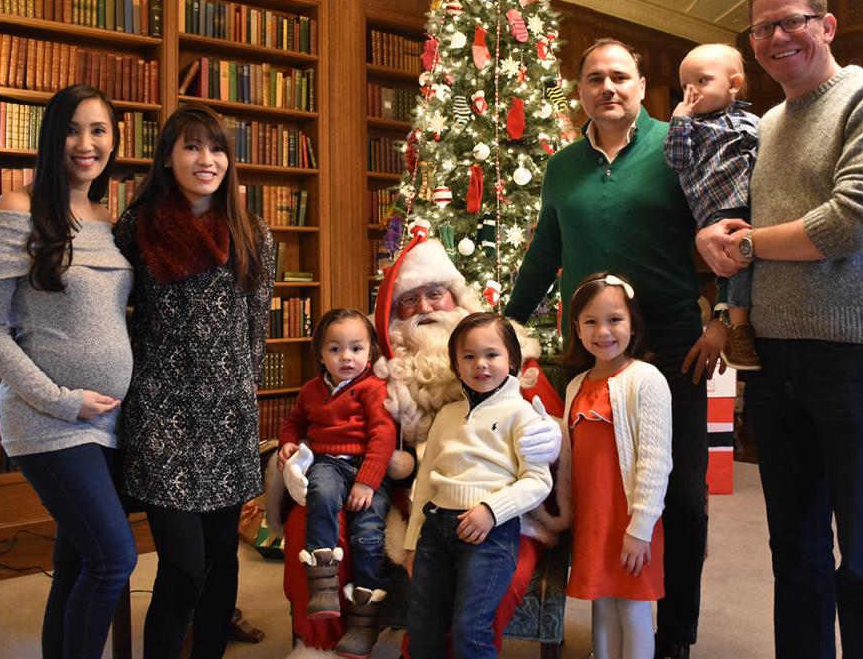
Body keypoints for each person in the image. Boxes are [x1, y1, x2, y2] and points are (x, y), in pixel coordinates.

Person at [695, 0, 863, 659]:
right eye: (762, 28)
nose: (775, 37)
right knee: (792, 549)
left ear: (826, 25)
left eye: (790, 20)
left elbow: (855, 222)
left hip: (862, 359)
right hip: (775, 359)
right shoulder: (765, 124)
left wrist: (746, 243)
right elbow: (756, 231)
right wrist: (717, 237)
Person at [505, 39, 723, 659]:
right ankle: (604, 609)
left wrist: (727, 313)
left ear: (642, 84)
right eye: (595, 78)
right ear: (579, 91)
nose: (609, 88)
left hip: (675, 350)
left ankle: (675, 635)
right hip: (590, 352)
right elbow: (545, 254)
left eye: (620, 77)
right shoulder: (563, 167)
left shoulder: (677, 149)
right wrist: (505, 327)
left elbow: (723, 225)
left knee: (680, 499)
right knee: (596, 492)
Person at [271, 232, 568, 655]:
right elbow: (329, 426)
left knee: (503, 572)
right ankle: (323, 644)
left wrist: (550, 436)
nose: (425, 309)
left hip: (500, 499)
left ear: (458, 300)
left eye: (435, 295)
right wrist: (297, 456)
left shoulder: (503, 353)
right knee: (310, 523)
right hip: (401, 497)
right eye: (409, 301)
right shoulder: (377, 374)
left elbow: (548, 423)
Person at [0, 84, 137, 659]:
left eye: (99, 130)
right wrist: (62, 399)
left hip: (108, 422)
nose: (86, 144)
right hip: (50, 419)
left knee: (75, 564)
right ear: (50, 135)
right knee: (114, 558)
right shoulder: (14, 209)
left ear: (115, 141)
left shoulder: (106, 218)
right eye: (72, 128)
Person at [114, 104, 275, 659]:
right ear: (167, 157)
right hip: (160, 414)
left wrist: (242, 391)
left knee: (223, 560)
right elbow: (113, 318)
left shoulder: (254, 233)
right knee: (182, 566)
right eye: (191, 147)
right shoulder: (135, 229)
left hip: (227, 416)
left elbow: (257, 327)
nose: (206, 160)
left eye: (216, 148)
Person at [404, 312, 554, 659]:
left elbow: (538, 481)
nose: (480, 364)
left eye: (491, 354)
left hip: (489, 534)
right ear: (456, 365)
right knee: (422, 626)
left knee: (471, 630)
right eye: (468, 356)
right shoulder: (447, 415)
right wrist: (412, 541)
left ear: (512, 360)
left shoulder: (523, 413)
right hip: (435, 531)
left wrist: (491, 510)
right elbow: (425, 482)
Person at [562, 274, 672, 659]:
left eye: (614, 319)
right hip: (593, 520)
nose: (603, 331)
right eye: (590, 321)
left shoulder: (646, 380)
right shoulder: (576, 385)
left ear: (633, 324)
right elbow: (568, 457)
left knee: (632, 604)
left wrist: (640, 528)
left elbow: (656, 461)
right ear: (576, 328)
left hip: (630, 521)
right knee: (602, 601)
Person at [276, 308, 396, 657]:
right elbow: (293, 422)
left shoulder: (374, 389)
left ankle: (363, 621)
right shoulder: (312, 390)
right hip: (327, 462)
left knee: (368, 533)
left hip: (366, 469)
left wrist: (367, 483)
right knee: (321, 496)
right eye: (335, 349)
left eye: (356, 349)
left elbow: (383, 436)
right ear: (321, 355)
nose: (347, 357)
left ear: (370, 352)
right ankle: (323, 585)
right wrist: (288, 441)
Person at [663, 43, 761, 371]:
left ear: (733, 84)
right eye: (685, 86)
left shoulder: (753, 120)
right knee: (736, 264)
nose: (692, 92)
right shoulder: (690, 126)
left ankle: (742, 320)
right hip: (719, 208)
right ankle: (739, 325)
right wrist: (679, 120)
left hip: (758, 204)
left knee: (756, 262)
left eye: (702, 82)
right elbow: (677, 159)